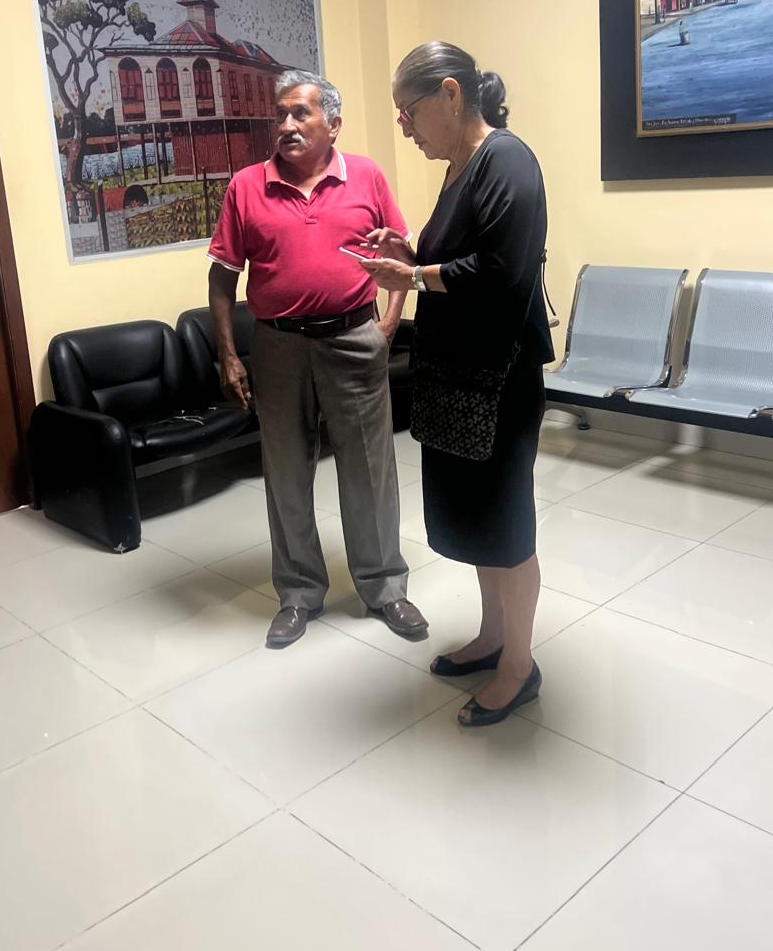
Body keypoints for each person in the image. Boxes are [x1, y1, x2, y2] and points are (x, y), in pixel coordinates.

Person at [361, 42, 553, 727]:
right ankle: (493, 636)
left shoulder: (508, 160)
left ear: (449, 93)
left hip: (497, 382)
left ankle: (519, 667)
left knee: (506, 522)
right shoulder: (459, 169)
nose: (405, 128)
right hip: (457, 379)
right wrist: (409, 254)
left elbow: (500, 271)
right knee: (477, 521)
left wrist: (413, 277)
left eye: (408, 112)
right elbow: (456, 262)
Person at [207, 69, 429, 650]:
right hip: (277, 346)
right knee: (285, 471)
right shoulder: (246, 187)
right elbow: (222, 278)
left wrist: (388, 320)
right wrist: (228, 354)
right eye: (279, 114)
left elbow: (401, 254)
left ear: (333, 124)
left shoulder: (367, 176)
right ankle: (299, 594)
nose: (286, 125)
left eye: (300, 113)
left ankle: (384, 587)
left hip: (354, 338)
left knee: (370, 470)